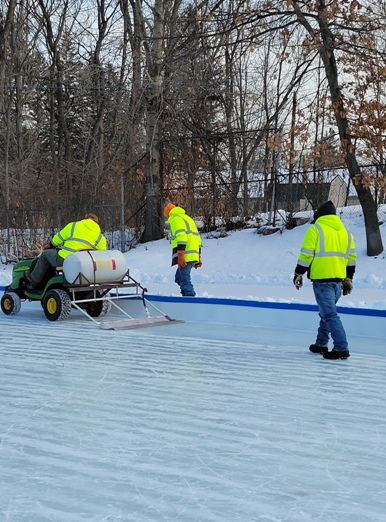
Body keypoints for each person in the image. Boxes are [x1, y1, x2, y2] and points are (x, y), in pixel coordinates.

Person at [293, 201, 356, 360]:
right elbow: (351, 259)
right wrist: (348, 279)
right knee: (325, 314)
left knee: (329, 314)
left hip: (322, 281)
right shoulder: (346, 233)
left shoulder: (315, 229)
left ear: (319, 216)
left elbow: (306, 254)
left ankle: (341, 348)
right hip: (338, 282)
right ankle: (321, 343)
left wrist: (298, 273)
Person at [25, 213, 107, 288]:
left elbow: (57, 239)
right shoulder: (100, 237)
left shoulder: (73, 226)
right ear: (96, 222)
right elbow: (101, 254)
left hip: (66, 259)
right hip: (86, 264)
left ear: (85, 219)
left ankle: (33, 280)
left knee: (45, 255)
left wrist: (51, 245)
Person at [164, 203, 202, 297]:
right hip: (193, 252)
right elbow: (197, 237)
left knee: (185, 279)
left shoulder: (175, 219)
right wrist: (198, 255)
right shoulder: (187, 218)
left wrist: (181, 254)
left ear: (169, 214)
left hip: (185, 253)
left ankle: (189, 296)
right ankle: (185, 294)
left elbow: (181, 236)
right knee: (179, 278)